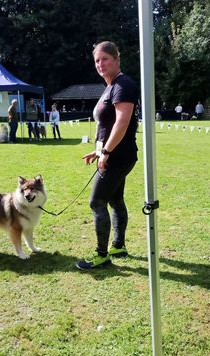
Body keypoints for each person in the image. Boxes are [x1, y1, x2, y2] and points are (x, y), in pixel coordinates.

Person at [77, 41, 139, 270]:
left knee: (96, 201)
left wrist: (106, 152)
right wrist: (98, 150)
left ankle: (101, 255)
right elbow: (108, 124)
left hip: (117, 157)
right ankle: (118, 246)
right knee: (115, 199)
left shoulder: (123, 85)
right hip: (111, 154)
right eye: (97, 60)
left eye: (105, 59)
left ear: (116, 59)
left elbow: (122, 124)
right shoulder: (110, 86)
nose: (100, 64)